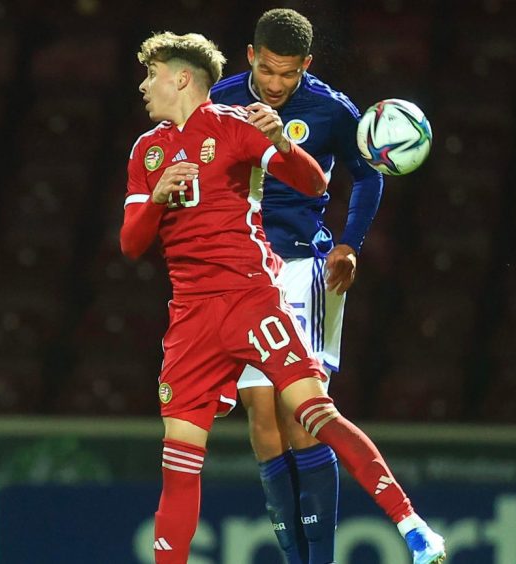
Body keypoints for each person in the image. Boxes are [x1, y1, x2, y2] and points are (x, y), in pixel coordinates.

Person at [120, 31, 446, 564]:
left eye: (150, 75)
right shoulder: (147, 150)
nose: (143, 85)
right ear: (249, 60)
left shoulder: (236, 124)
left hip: (256, 293)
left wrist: (284, 144)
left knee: (311, 413)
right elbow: (132, 242)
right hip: (191, 318)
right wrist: (156, 200)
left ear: (180, 78)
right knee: (186, 460)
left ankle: (413, 529)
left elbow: (317, 183)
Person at [210, 8, 384, 563]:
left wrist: (350, 243)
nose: (276, 85)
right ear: (250, 57)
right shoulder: (220, 97)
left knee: (301, 415)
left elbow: (369, 174)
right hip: (240, 275)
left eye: (288, 74)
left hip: (302, 270)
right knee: (262, 420)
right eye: (268, 72)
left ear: (306, 65)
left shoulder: (332, 110)